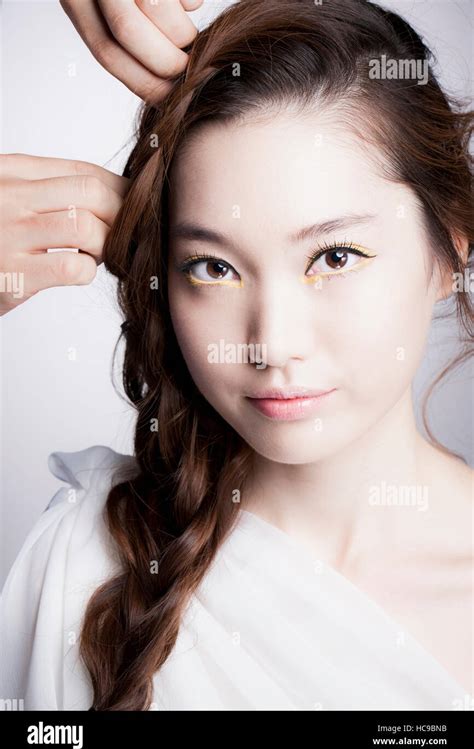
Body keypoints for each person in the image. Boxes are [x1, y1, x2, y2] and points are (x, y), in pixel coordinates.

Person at [0, 0, 472, 711]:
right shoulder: (81, 562)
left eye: (335, 256)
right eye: (213, 268)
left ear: (451, 249)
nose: (272, 344)